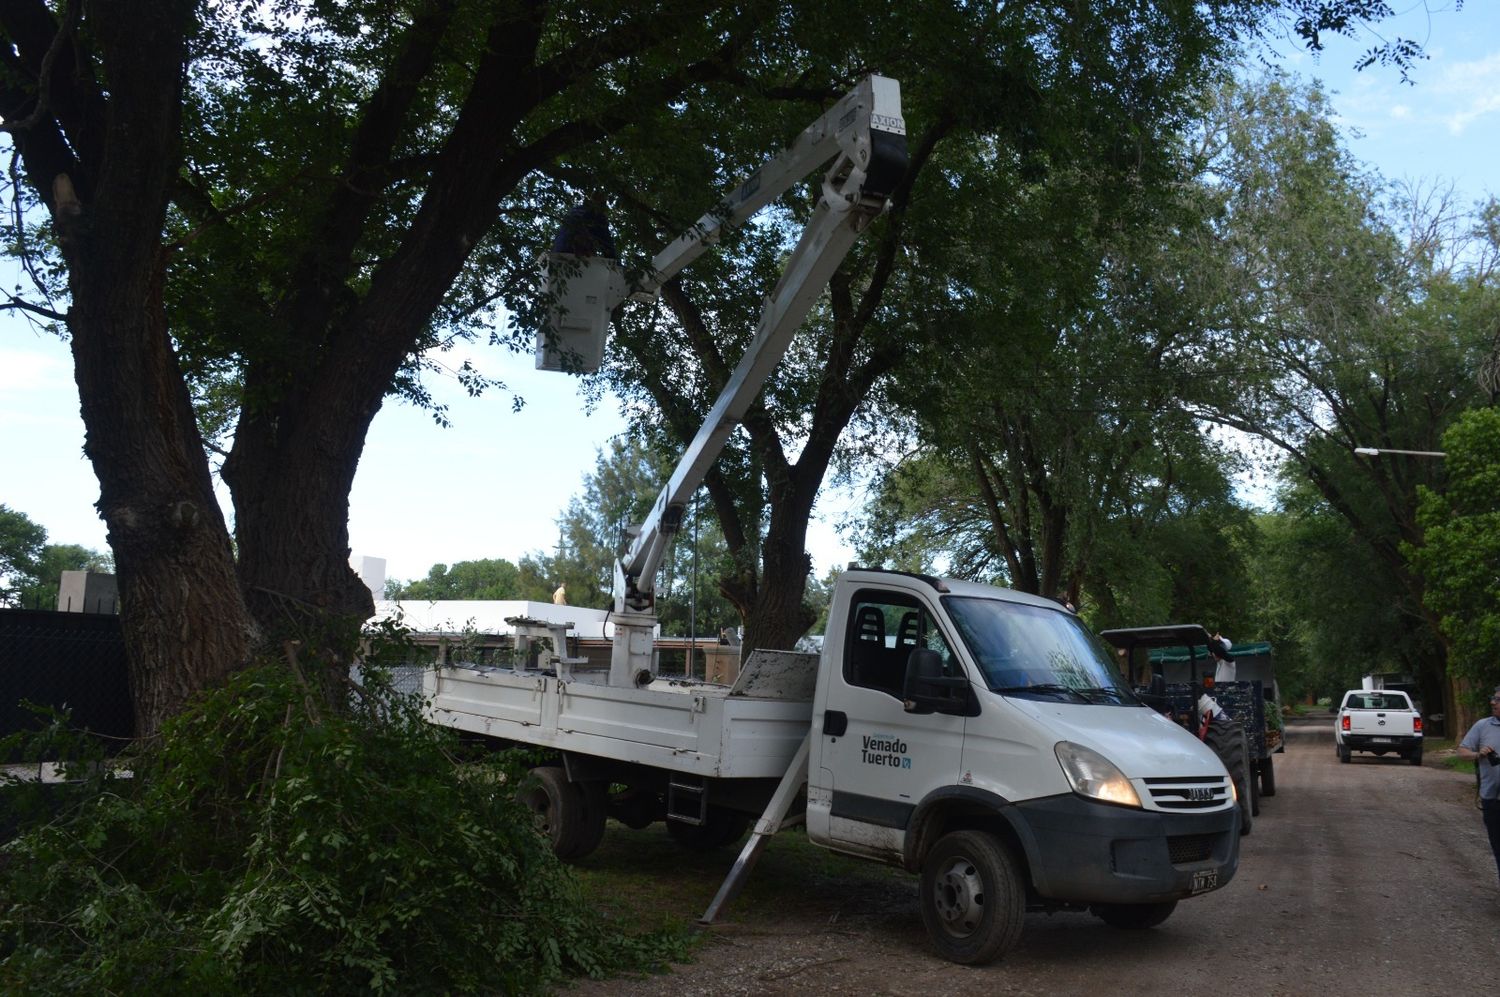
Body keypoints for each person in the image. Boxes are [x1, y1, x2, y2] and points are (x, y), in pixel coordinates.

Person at [1457, 686, 1500, 886]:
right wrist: (1478, 754)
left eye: (1498, 699)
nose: (1493, 702)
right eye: (1493, 698)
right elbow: (1462, 751)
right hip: (1492, 798)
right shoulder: (1483, 726)